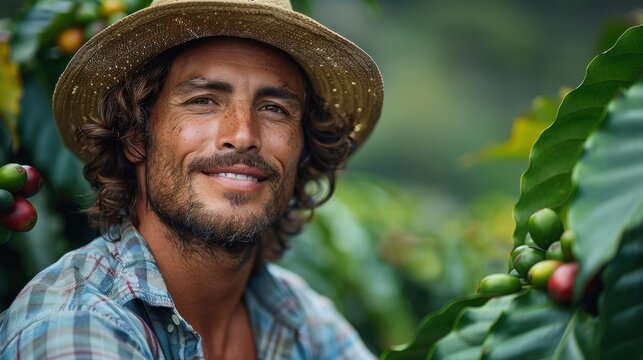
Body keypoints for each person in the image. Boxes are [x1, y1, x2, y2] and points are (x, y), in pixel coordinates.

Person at [0, 0, 383, 358]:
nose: (244, 134)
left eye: (274, 108)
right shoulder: (74, 324)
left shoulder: (300, 315)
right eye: (204, 101)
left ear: (302, 148)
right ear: (135, 135)